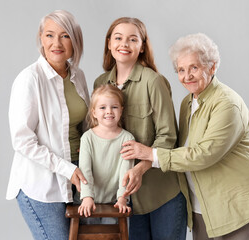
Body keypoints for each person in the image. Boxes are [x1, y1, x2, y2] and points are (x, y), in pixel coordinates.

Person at [120, 33, 249, 240]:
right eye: (181, 70)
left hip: (235, 205)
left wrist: (151, 154)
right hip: (203, 205)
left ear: (212, 67)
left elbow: (204, 154)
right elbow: (183, 148)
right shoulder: (188, 103)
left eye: (194, 68)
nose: (187, 76)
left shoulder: (227, 103)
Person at [94, 17, 188, 240]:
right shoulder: (99, 83)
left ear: (142, 46)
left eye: (132, 39)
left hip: (161, 193)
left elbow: (168, 136)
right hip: (123, 198)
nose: (124, 44)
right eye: (118, 38)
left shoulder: (153, 81)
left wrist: (140, 168)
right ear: (109, 43)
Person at [6, 10, 90, 240]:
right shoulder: (29, 79)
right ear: (41, 38)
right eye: (50, 35)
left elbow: (86, 126)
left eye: (65, 36)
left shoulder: (78, 76)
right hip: (42, 184)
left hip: (78, 176)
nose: (57, 43)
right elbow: (22, 141)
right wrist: (67, 168)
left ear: (75, 40)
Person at [78, 84, 134, 223]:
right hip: (89, 200)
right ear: (94, 112)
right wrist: (87, 197)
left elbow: (126, 172)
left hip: (114, 201)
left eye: (114, 107)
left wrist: (122, 198)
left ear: (121, 110)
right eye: (102, 107)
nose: (109, 111)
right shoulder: (87, 138)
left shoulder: (127, 138)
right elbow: (85, 170)